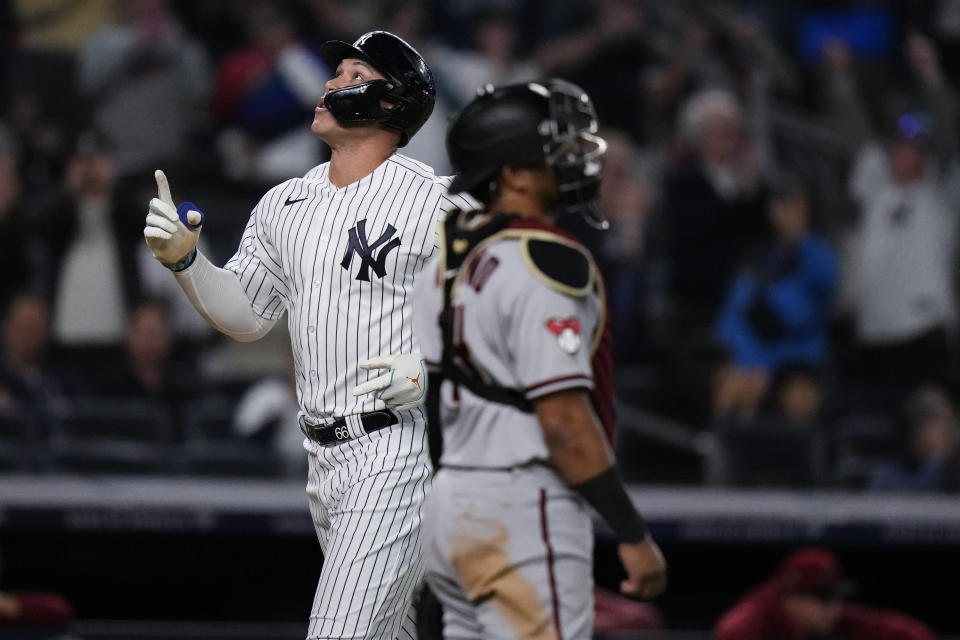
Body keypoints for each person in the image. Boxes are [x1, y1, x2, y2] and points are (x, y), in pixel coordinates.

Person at [143, 30, 474, 639]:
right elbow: (246, 316)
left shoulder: (435, 203)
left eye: (353, 76)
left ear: (394, 102)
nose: (331, 84)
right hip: (321, 457)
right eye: (336, 73)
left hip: (396, 452)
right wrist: (187, 263)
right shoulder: (285, 202)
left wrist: (426, 371)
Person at [413, 79, 666, 639]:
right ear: (514, 173)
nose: (578, 159)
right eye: (557, 148)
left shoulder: (446, 251)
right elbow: (564, 423)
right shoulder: (546, 257)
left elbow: (430, 402)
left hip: (452, 502)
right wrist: (631, 532)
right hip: (524, 506)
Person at [714, 178, 837, 421]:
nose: (787, 212)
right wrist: (745, 363)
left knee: (798, 396)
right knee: (729, 387)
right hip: (750, 364)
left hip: (798, 366)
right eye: (781, 204)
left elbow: (791, 315)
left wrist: (800, 238)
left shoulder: (819, 256)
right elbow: (732, 317)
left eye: (795, 205)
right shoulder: (758, 257)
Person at [716, 548, 933, 640]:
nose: (834, 608)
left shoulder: (828, 616)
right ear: (792, 598)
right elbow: (730, 630)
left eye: (835, 598)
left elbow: (910, 634)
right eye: (823, 599)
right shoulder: (754, 618)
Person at [869, 385, 960, 492]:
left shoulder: (955, 468)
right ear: (921, 430)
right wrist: (935, 460)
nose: (950, 434)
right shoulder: (887, 476)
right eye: (945, 424)